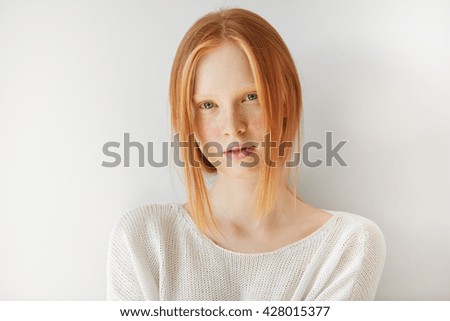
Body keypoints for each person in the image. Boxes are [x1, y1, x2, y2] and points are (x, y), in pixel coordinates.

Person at [106, 7, 386, 301]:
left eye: (251, 97)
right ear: (186, 119)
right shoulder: (143, 239)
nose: (232, 127)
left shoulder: (347, 245)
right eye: (208, 105)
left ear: (286, 101)